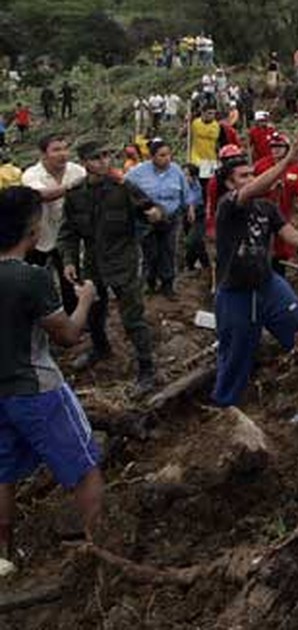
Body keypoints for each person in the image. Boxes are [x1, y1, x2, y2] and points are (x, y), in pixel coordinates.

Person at [0, 186, 103, 576]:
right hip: (37, 389)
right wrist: (86, 300)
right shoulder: (29, 278)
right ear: (31, 230)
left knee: (3, 473)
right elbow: (67, 335)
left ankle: (3, 557)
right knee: (86, 466)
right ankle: (96, 555)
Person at [212, 142, 298, 407]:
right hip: (235, 293)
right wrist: (285, 163)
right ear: (229, 184)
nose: (251, 179)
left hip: (268, 285)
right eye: (243, 176)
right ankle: (225, 408)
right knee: (236, 353)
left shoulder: (266, 208)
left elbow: (288, 233)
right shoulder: (227, 206)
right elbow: (252, 190)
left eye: (251, 173)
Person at [59, 141, 159, 395]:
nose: (104, 161)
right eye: (97, 158)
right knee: (94, 310)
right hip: (92, 263)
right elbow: (68, 232)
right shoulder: (76, 193)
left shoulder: (122, 188)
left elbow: (154, 213)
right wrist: (69, 260)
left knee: (132, 316)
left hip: (123, 261)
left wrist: (149, 213)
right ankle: (100, 348)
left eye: (106, 155)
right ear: (85, 163)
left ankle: (147, 368)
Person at [22, 135, 87, 315]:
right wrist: (71, 187)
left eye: (65, 149)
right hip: (38, 237)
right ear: (43, 154)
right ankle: (39, 319)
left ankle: (73, 319)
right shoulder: (32, 175)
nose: (63, 154)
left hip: (67, 237)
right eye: (56, 150)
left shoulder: (78, 171)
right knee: (35, 280)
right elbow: (41, 195)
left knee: (70, 278)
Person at [126, 139, 188, 297]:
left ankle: (168, 284)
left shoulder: (176, 171)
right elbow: (125, 188)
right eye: (162, 155)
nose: (167, 158)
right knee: (150, 252)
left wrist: (188, 209)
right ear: (152, 157)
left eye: (169, 155)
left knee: (168, 250)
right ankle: (150, 283)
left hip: (171, 217)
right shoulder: (138, 172)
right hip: (147, 219)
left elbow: (185, 193)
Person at [252, 132, 298, 277]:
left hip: (282, 216)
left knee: (280, 250)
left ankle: (278, 278)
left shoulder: (295, 169)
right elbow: (250, 188)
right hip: (260, 214)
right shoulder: (261, 165)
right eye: (273, 146)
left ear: (287, 148)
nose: (275, 149)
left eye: (279, 146)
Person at [181, 163, 210, 272]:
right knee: (192, 243)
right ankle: (192, 266)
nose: (184, 178)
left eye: (187, 175)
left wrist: (191, 206)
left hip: (199, 217)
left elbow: (194, 198)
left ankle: (203, 265)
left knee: (193, 241)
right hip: (185, 218)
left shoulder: (197, 187)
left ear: (194, 177)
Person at [189, 106, 221, 185]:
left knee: (207, 183)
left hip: (210, 159)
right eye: (209, 113)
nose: (212, 116)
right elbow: (186, 133)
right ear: (202, 113)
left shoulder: (215, 126)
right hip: (196, 158)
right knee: (196, 182)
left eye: (214, 114)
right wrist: (188, 121)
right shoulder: (195, 123)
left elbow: (210, 134)